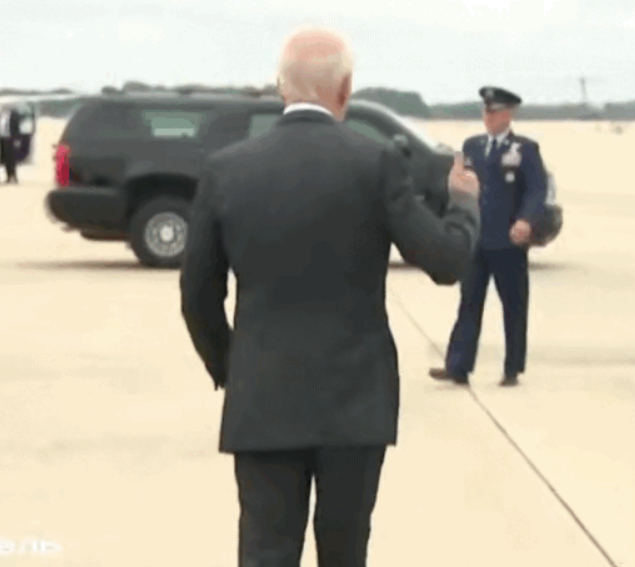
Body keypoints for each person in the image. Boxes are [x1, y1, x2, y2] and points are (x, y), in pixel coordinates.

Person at [180, 26, 480, 567]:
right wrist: (463, 204)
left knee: (265, 550)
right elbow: (445, 262)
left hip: (262, 396)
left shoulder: (226, 169)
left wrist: (232, 365)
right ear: (345, 88)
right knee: (345, 551)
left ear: (281, 86)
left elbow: (197, 294)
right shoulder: (375, 162)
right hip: (354, 402)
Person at [429, 86, 548, 387]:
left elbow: (537, 190)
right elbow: (462, 185)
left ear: (507, 114)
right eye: (485, 111)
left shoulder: (524, 149)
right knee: (469, 303)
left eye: (493, 112)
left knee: (513, 307)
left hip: (508, 240)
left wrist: (526, 220)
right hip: (476, 240)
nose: (488, 117)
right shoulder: (472, 145)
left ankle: (512, 368)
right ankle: (458, 366)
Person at [0, 105, 21, 184]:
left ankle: (14, 177)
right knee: (5, 159)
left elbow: (17, 128)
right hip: (2, 139)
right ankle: (8, 177)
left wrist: (17, 139)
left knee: (11, 159)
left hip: (10, 139)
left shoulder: (14, 115)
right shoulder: (1, 115)